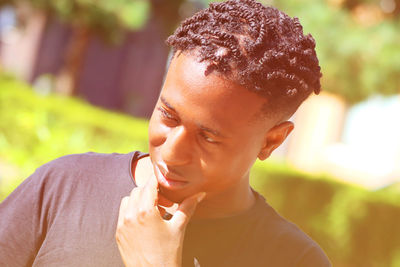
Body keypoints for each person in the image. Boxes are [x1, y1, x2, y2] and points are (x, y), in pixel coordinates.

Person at [0, 0, 331, 266]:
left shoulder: (293, 259)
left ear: (272, 140)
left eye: (209, 137)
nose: (172, 152)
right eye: (168, 116)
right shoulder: (63, 187)